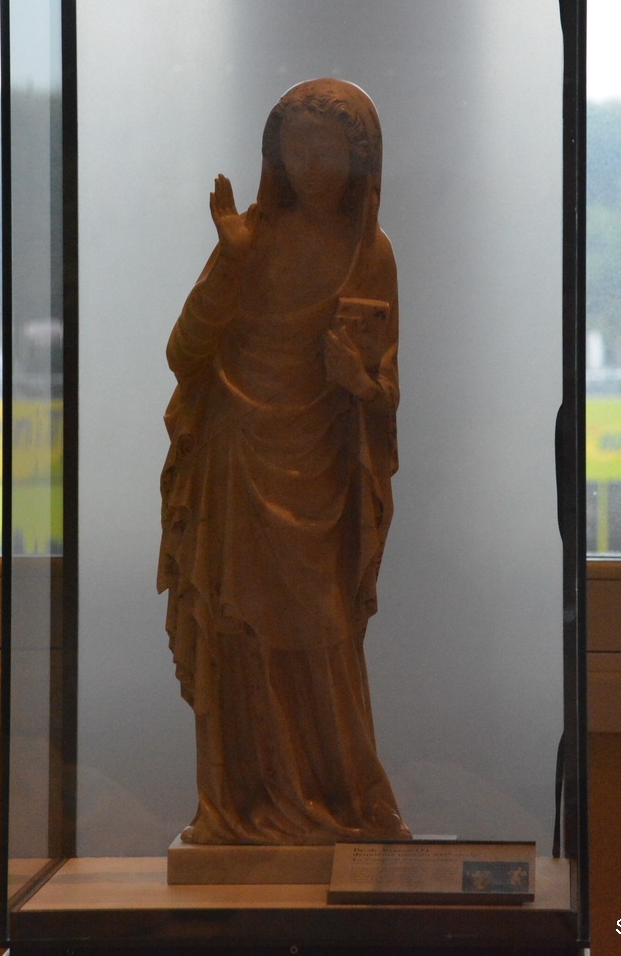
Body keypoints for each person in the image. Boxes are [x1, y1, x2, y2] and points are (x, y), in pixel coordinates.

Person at [158, 79, 409, 845]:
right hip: (238, 458)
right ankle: (242, 806)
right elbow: (184, 352)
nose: (312, 166)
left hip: (320, 467)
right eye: (297, 150)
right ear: (276, 157)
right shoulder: (251, 240)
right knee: (240, 632)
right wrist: (231, 263)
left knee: (325, 631)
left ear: (360, 160)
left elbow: (386, 387)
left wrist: (356, 380)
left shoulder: (371, 254)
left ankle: (342, 799)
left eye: (328, 151)